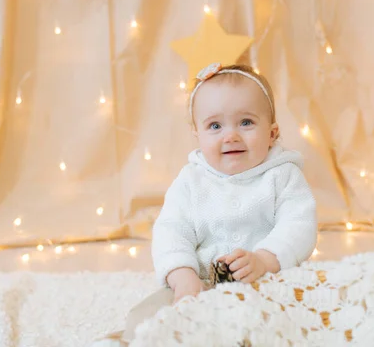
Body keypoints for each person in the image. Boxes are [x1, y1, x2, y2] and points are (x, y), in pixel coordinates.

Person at [122, 62, 318, 342]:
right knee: (144, 320)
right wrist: (183, 277)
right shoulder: (191, 180)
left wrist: (264, 259)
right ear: (198, 136)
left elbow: (299, 225)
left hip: (267, 283)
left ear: (272, 133)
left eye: (246, 122)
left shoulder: (283, 175)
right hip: (200, 285)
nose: (231, 135)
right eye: (215, 125)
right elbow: (171, 230)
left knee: (287, 323)